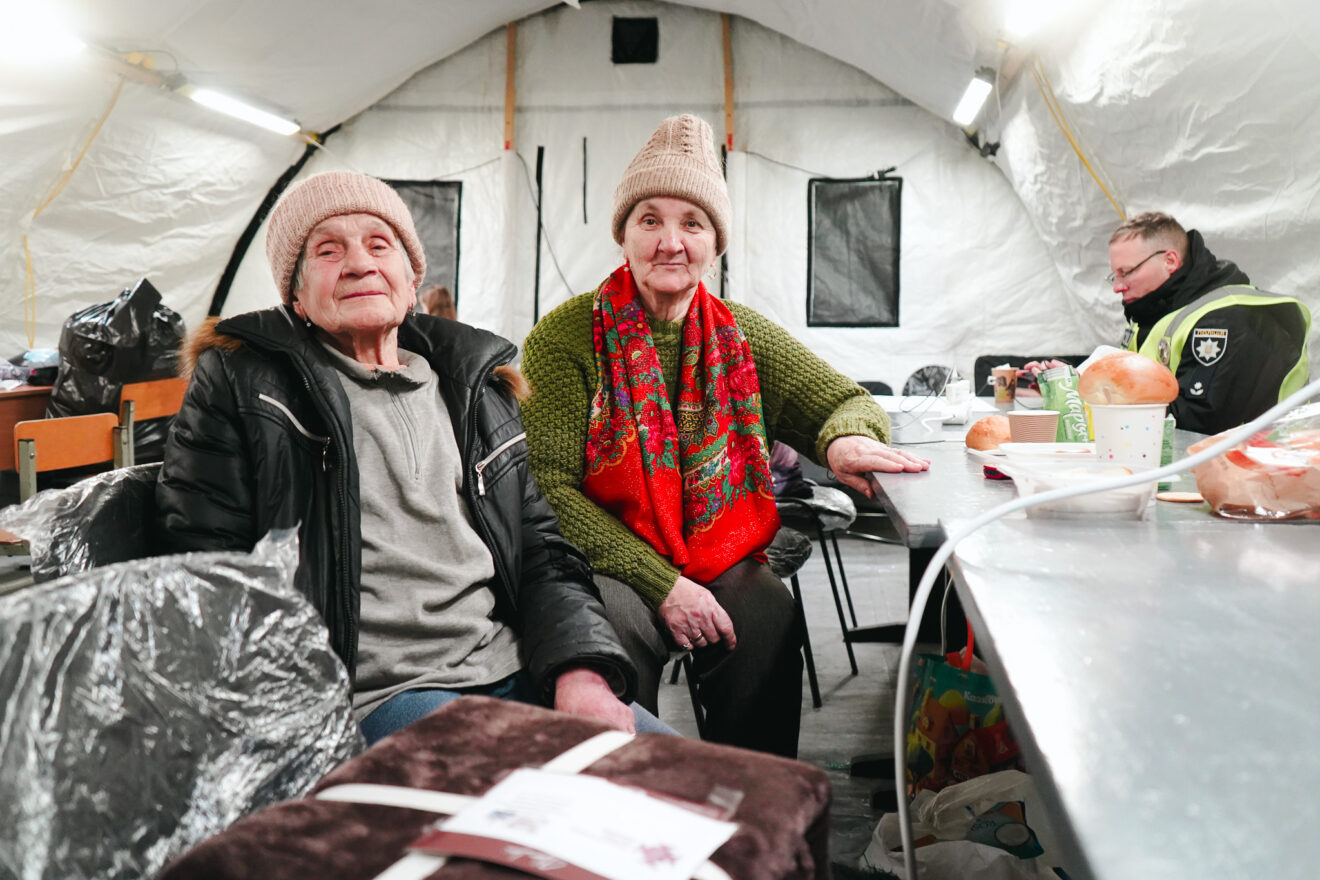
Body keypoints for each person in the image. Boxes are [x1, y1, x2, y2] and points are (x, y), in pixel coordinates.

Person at [156, 170, 668, 744]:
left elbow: (542, 553)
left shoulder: (477, 389)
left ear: (411, 279)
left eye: (380, 245)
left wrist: (581, 672)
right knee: (539, 798)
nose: (359, 263)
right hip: (380, 697)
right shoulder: (244, 387)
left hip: (517, 667)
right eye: (328, 251)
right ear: (295, 297)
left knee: (689, 778)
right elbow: (208, 573)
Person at [520, 115, 929, 758]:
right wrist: (662, 584)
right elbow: (548, 490)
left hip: (717, 548)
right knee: (613, 633)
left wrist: (843, 439)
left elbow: (842, 400)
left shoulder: (741, 335)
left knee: (765, 616)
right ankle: (627, 798)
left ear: (715, 243)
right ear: (623, 234)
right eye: (649, 220)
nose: (670, 242)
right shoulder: (562, 340)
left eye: (693, 223)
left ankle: (749, 794)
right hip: (607, 554)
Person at [1107, 212, 1310, 434]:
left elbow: (1198, 423)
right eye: (1114, 276)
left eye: (1126, 272)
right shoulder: (1152, 311)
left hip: (1262, 453)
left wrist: (1111, 405)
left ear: (1170, 261)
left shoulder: (1223, 320)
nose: (1118, 287)